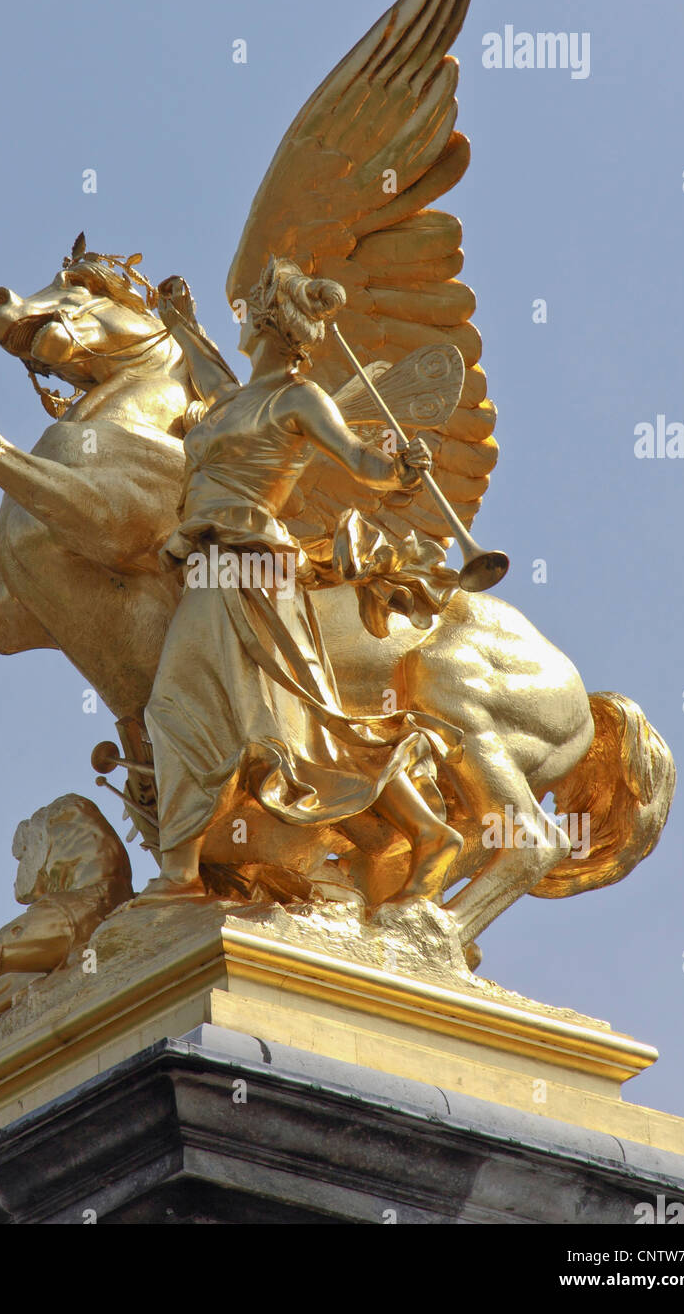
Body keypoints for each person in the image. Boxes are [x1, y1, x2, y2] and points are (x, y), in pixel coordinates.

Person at [140, 256, 463, 904]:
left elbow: (356, 456)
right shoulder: (231, 398)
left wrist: (400, 468)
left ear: (267, 322)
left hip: (253, 566)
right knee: (188, 707)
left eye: (252, 307)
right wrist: (178, 319)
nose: (240, 321)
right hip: (209, 565)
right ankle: (180, 871)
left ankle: (179, 874)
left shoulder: (300, 398)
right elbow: (202, 362)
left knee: (286, 724)